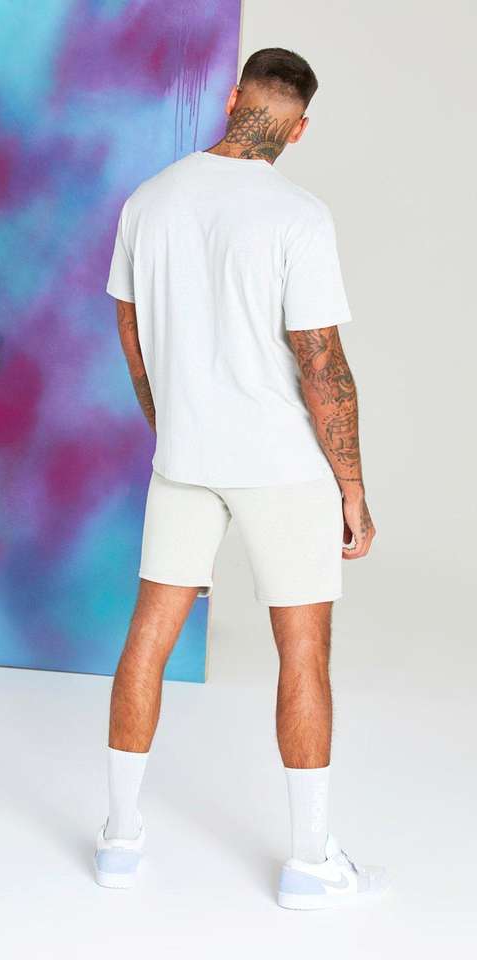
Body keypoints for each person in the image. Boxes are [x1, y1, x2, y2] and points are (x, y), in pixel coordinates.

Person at [95, 47, 388, 909]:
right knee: (303, 650)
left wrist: (173, 427)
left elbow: (132, 336)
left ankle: (119, 841)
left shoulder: (148, 201)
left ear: (231, 99)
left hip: (185, 460)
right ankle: (310, 863)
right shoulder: (299, 215)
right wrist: (352, 486)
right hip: (281, 468)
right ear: (300, 129)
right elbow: (322, 361)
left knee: (148, 637)